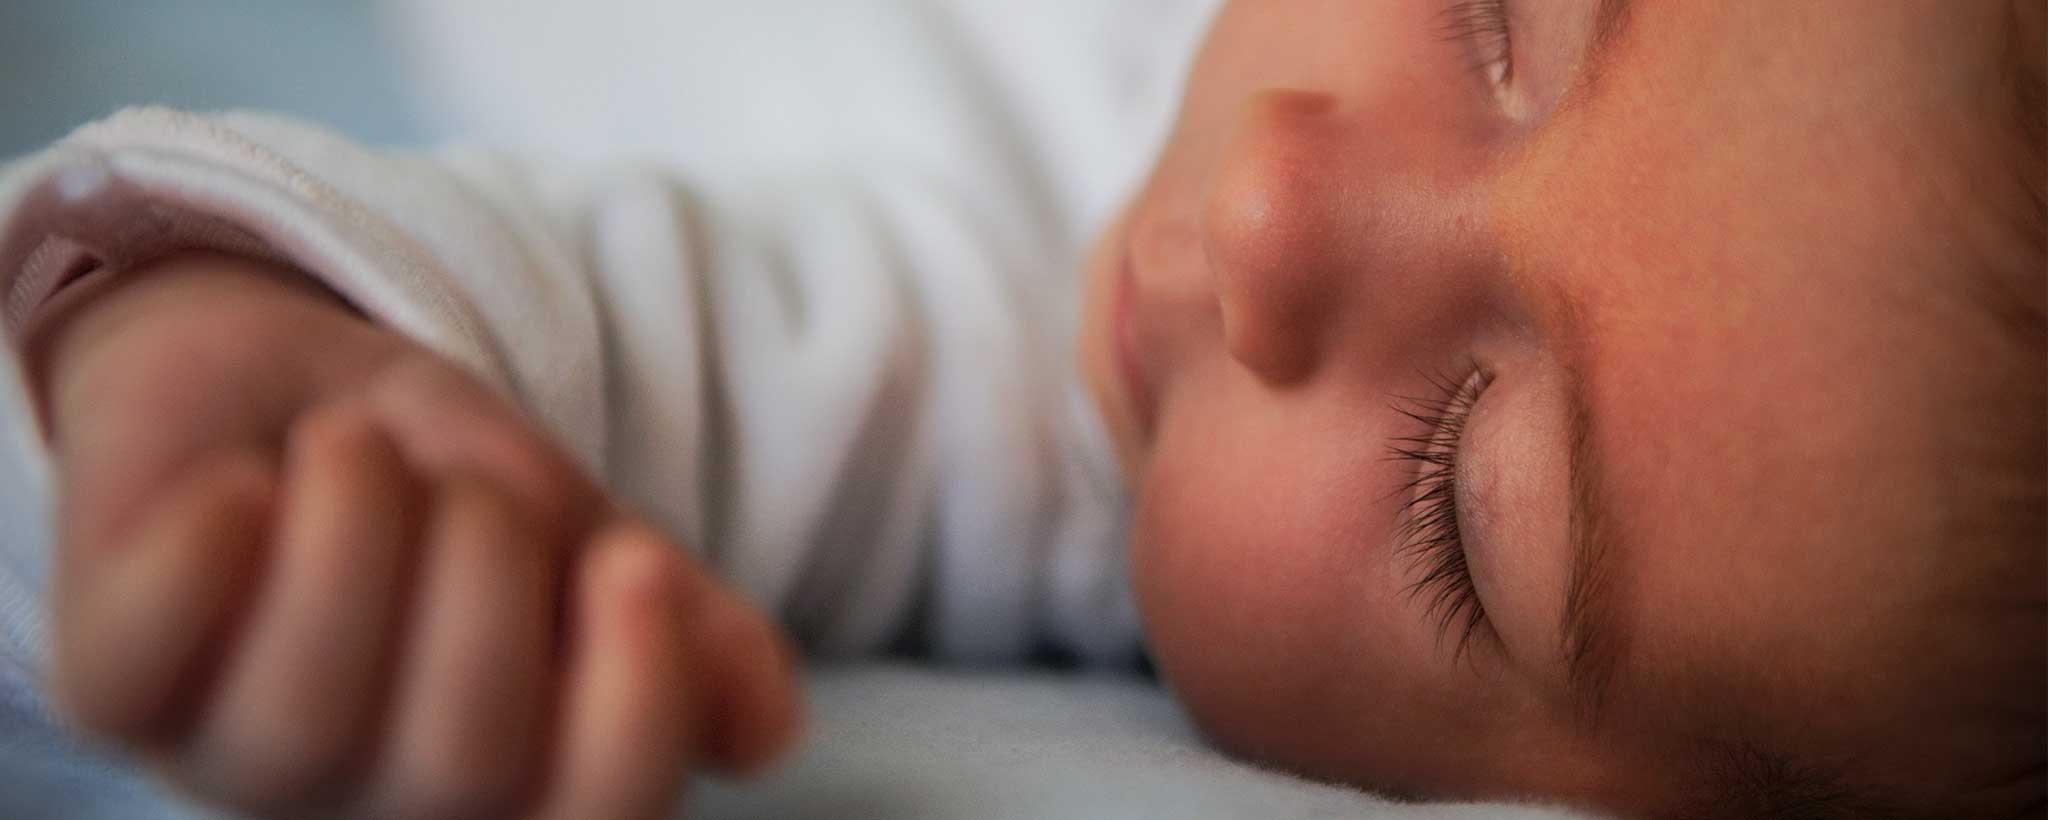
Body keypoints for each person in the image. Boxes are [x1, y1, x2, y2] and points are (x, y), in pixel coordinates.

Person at [0, 0, 2039, 818]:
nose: (1274, 201)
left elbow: (636, 335)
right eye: (1494, 19)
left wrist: (217, 353)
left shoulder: (979, 367)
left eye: (1457, 496)